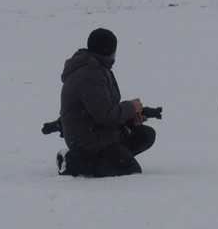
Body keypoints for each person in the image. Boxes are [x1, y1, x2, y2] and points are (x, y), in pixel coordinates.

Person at [55, 28, 155, 177]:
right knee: (129, 170)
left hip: (98, 133)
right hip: (86, 140)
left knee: (145, 135)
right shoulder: (90, 73)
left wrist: (131, 118)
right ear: (111, 51)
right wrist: (131, 107)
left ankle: (112, 157)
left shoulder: (97, 68)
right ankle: (72, 162)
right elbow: (105, 115)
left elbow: (104, 109)